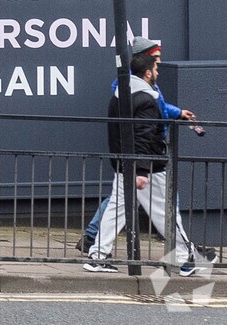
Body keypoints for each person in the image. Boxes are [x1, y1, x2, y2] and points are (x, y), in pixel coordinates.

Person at [87, 39, 205, 275]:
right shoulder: (146, 99)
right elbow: (143, 136)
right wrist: (141, 171)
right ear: (148, 72)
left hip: (124, 163)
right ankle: (184, 257)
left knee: (116, 209)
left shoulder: (123, 91)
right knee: (165, 211)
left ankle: (97, 255)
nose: (159, 70)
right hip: (149, 166)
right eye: (157, 67)